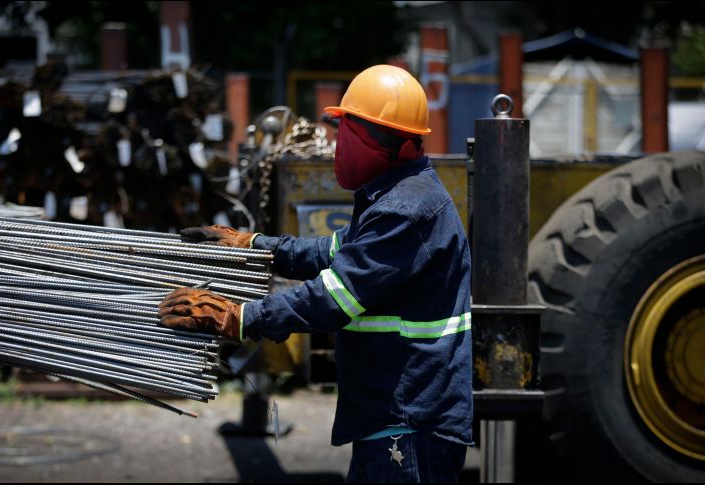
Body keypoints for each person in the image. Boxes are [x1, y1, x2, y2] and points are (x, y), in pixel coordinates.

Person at [159, 64, 473, 483]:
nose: (338, 146)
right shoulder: (394, 196)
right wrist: (254, 245)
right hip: (393, 416)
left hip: (408, 422)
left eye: (347, 133)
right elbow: (331, 253)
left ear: (385, 141)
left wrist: (239, 318)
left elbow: (332, 298)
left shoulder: (405, 210)